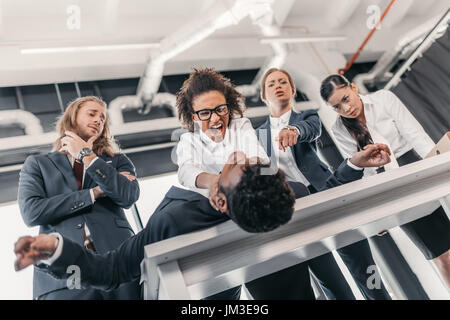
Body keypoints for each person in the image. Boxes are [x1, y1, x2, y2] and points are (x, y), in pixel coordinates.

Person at [14, 69, 391, 300]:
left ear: (219, 199)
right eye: (253, 163)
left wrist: (56, 250)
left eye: (236, 167)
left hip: (249, 269)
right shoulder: (281, 195)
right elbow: (325, 196)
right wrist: (352, 163)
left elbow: (113, 269)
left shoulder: (176, 221)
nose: (242, 158)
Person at [255, 68, 392, 300]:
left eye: (283, 82)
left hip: (328, 194)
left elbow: (310, 131)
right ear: (263, 96)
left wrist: (294, 130)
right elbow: (265, 174)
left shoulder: (307, 118)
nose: (278, 85)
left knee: (366, 270)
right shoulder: (259, 135)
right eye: (271, 84)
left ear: (293, 90)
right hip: (295, 211)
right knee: (330, 282)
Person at [320, 74, 450, 289]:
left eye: (345, 98)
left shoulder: (383, 99)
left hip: (419, 167)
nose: (345, 109)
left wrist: (439, 168)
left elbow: (416, 135)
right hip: (392, 187)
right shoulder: (339, 129)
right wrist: (379, 213)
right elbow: (362, 171)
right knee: (440, 255)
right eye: (336, 107)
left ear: (353, 87)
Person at [17, 96, 141, 300]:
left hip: (119, 264)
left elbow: (128, 196)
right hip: (62, 278)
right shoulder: (38, 164)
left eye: (103, 118)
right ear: (72, 118)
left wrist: (88, 157)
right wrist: (95, 193)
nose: (99, 120)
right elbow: (32, 212)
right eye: (92, 114)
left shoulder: (117, 161)